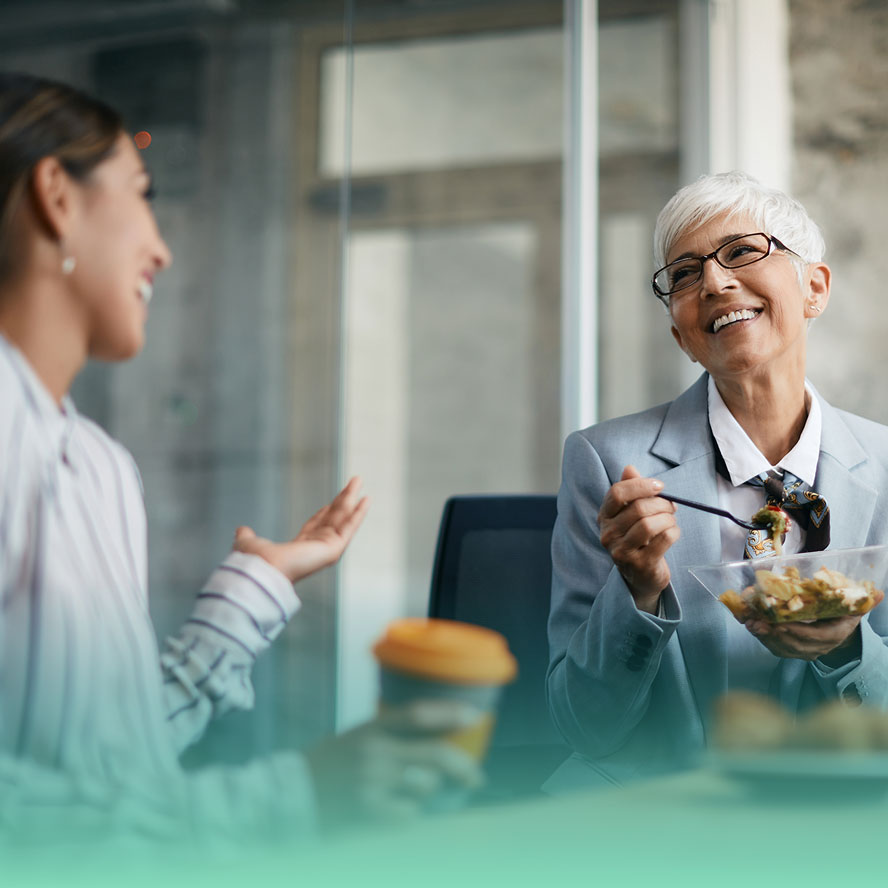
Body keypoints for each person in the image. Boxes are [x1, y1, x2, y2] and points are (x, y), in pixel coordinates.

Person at [0, 72, 480, 844]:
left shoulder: (97, 466)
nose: (160, 249)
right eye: (141, 192)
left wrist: (256, 586)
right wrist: (292, 799)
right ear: (57, 196)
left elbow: (117, 769)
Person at [545, 171, 888, 791]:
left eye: (742, 252)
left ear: (814, 287)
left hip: (839, 810)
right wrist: (638, 592)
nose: (713, 281)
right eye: (683, 273)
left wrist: (846, 648)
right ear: (681, 333)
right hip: (655, 816)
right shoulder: (604, 462)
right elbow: (582, 727)